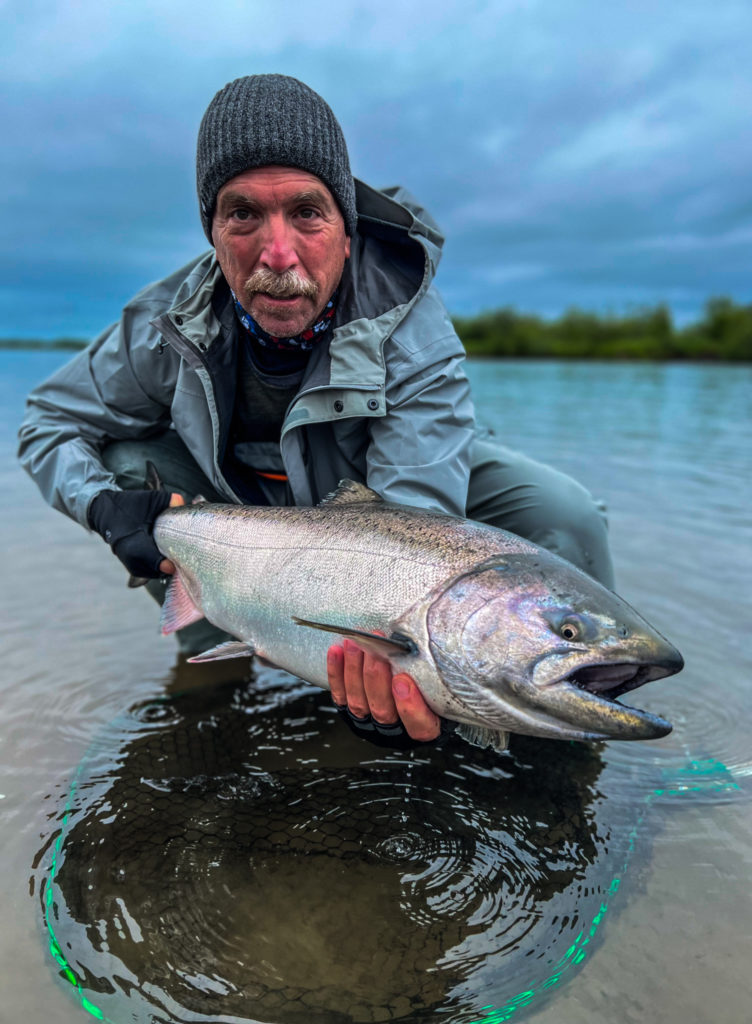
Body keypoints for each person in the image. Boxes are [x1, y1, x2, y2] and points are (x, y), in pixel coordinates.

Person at [18, 74, 614, 749]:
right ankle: (214, 655)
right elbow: (50, 424)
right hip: (239, 520)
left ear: (347, 227)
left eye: (306, 212)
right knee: (123, 462)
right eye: (243, 214)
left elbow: (415, 531)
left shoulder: (413, 330)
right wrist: (100, 506)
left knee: (562, 514)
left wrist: (404, 663)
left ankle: (560, 727)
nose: (278, 254)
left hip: (387, 517)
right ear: (213, 231)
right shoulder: (165, 323)